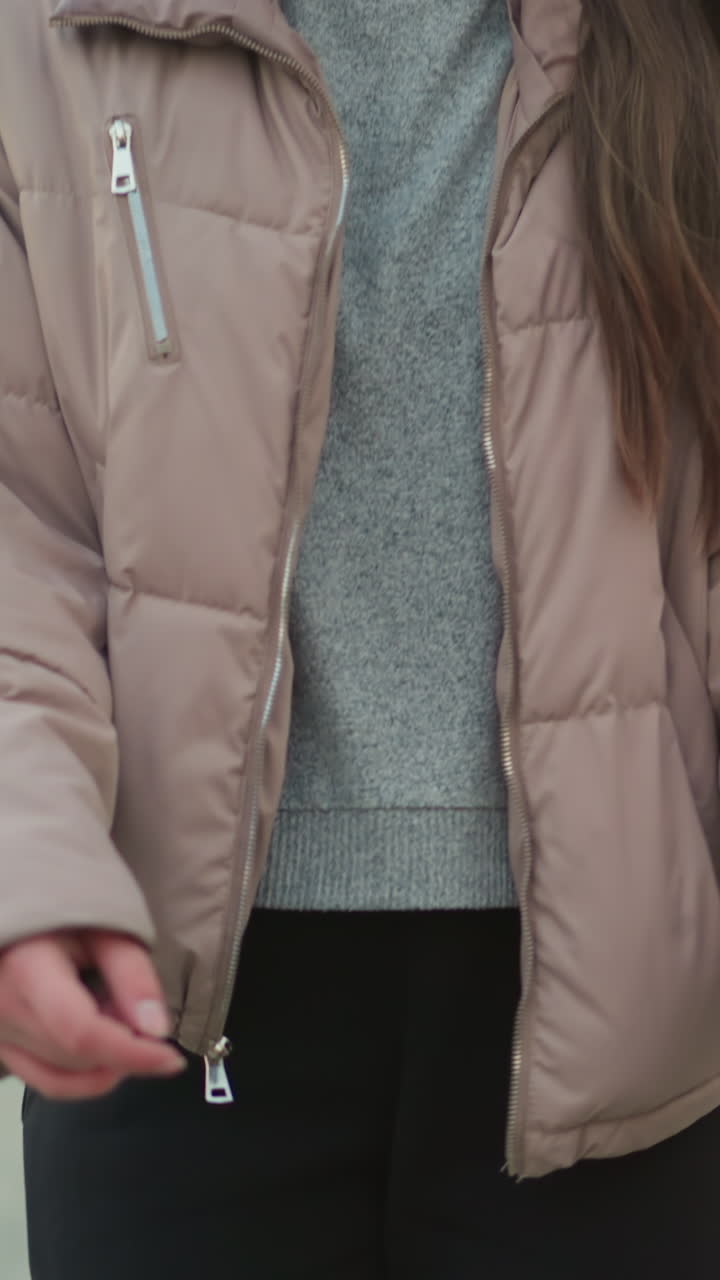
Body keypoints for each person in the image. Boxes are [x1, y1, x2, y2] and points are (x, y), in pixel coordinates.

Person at [1, 0, 720, 1275]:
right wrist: (31, 863)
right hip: (176, 1012)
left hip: (621, 1014)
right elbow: (19, 526)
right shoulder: (53, 36)